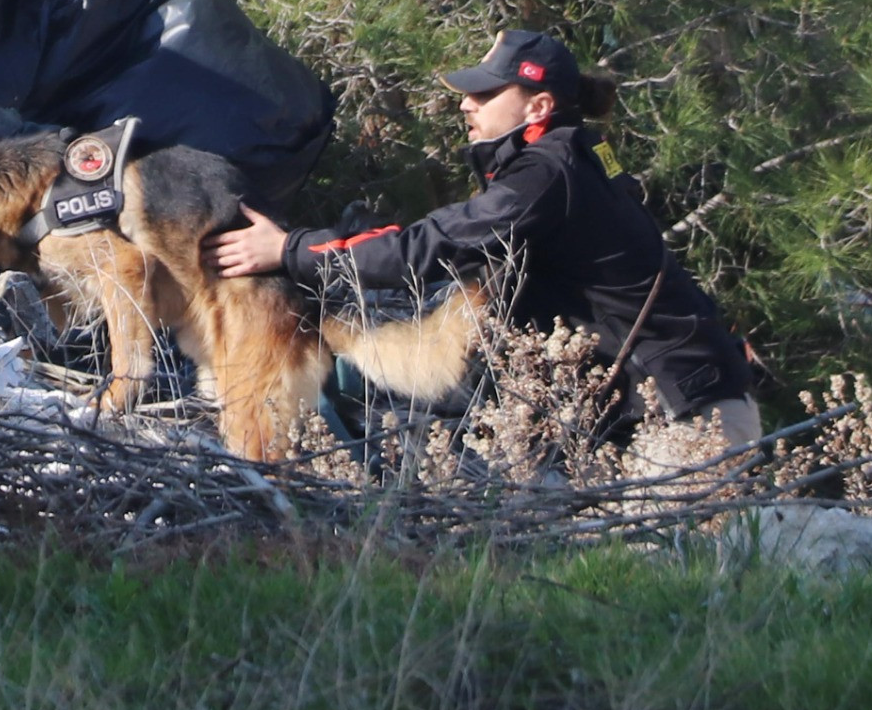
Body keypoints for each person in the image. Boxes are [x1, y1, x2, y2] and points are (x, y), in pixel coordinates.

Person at [202, 29, 759, 472]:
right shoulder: (572, 156)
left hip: (690, 416)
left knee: (683, 585)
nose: (467, 104)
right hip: (662, 406)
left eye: (486, 93)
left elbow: (432, 246)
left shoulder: (545, 174)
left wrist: (291, 250)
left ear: (538, 105)